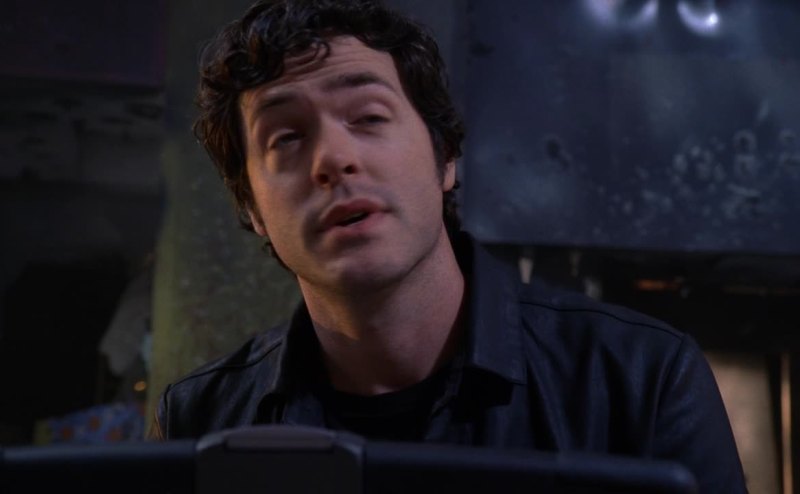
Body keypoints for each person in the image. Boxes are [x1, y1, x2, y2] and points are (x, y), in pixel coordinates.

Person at [153, 0, 747, 491]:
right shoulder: (200, 420)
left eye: (368, 117)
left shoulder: (639, 378)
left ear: (445, 158)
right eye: (286, 138)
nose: (334, 158)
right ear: (252, 209)